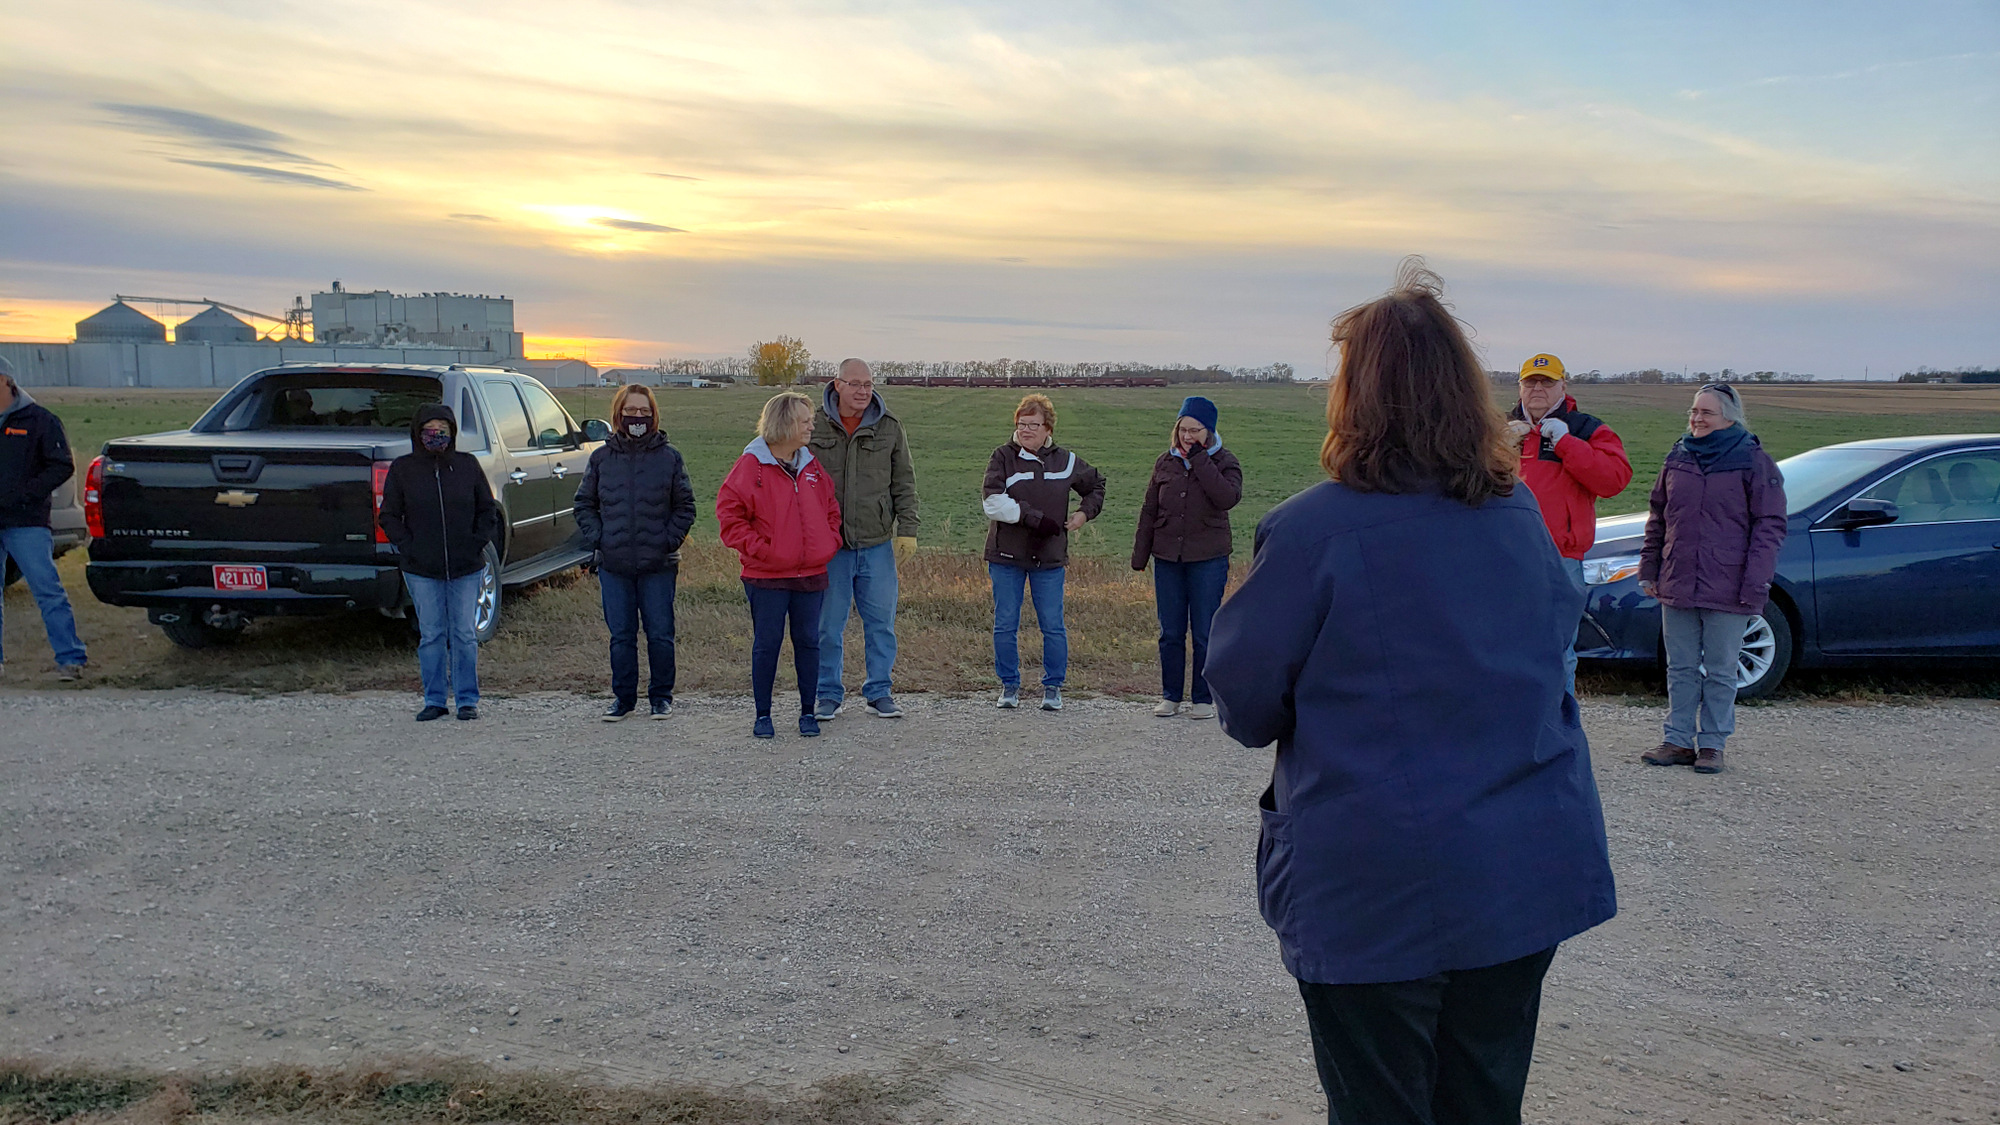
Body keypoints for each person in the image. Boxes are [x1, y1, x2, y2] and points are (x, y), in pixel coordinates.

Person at [1205, 261, 1616, 1125]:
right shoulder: (1516, 519)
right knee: (1483, 1103)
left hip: (1372, 889)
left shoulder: (1314, 530)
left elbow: (1243, 702)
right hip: (1517, 875)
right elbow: (1548, 658)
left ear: (1355, 397)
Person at [1638, 383, 1787, 775]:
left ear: (1729, 418)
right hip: (1678, 578)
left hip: (1729, 582)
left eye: (1705, 413)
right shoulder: (1679, 457)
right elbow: (1658, 517)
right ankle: (1677, 740)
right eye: (1693, 411)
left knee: (1722, 669)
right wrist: (1649, 568)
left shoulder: (1754, 462)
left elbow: (1769, 525)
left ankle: (1713, 744)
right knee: (1681, 666)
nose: (1696, 419)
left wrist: (1756, 581)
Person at [716, 392, 842, 740]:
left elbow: (831, 507)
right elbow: (730, 516)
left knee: (808, 642)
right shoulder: (750, 466)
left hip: (811, 573)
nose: (811, 425)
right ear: (784, 422)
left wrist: (828, 542)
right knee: (767, 643)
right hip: (766, 575)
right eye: (804, 420)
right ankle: (763, 715)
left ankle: (807, 712)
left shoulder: (811, 466)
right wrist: (763, 550)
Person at [1505, 353, 1633, 695]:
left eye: (1547, 382)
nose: (1537, 389)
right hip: (1503, 555)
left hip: (1560, 558)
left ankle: (1558, 730)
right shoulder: (1496, 428)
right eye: (1530, 381)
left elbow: (1614, 480)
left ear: (1564, 385)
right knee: (1503, 648)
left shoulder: (1587, 429)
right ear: (1519, 386)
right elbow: (1461, 483)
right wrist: (1496, 448)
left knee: (1559, 650)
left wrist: (1566, 444)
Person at [574, 383, 697, 722]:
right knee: (621, 636)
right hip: (614, 565)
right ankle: (623, 699)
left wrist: (667, 541)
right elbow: (584, 504)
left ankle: (661, 697)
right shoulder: (601, 458)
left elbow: (685, 506)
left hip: (658, 564)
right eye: (631, 411)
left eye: (644, 411)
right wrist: (600, 539)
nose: (637, 417)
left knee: (659, 634)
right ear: (619, 414)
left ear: (653, 415)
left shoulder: (669, 457)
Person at [809, 359, 920, 721]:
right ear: (836, 385)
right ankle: (827, 693)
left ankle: (879, 691)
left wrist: (908, 530)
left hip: (875, 545)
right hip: (830, 548)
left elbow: (904, 481)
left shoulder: (889, 427)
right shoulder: (812, 426)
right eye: (855, 384)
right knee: (827, 627)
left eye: (868, 384)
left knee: (881, 624)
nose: (862, 391)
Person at [981, 393, 1105, 712]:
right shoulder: (1002, 457)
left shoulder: (1067, 461)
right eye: (1021, 424)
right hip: (1006, 557)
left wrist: (1084, 513)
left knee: (1052, 624)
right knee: (1005, 623)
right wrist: (1033, 518)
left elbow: (1095, 485)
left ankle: (1053, 687)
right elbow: (993, 502)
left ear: (1048, 427)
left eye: (1033, 425)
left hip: (1049, 558)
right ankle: (1009, 686)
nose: (1025, 430)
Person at [378, 403, 501, 721]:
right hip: (421, 568)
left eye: (442, 430)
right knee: (432, 634)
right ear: (418, 434)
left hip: (465, 566)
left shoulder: (467, 465)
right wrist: (408, 545)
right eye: (430, 430)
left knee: (463, 633)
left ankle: (466, 700)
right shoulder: (403, 469)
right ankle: (434, 699)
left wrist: (476, 542)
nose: (436, 436)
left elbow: (487, 509)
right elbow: (389, 515)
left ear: (452, 433)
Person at [1131, 395, 1242, 720]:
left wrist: (1200, 460)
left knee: (1205, 631)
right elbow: (1150, 508)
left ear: (1209, 432)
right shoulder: (1164, 462)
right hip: (1168, 558)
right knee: (1170, 631)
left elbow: (1226, 498)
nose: (1187, 436)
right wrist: (1140, 554)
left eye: (1195, 430)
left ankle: (1203, 699)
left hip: (1208, 559)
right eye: (1183, 429)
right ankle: (1170, 696)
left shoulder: (1226, 461)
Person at [0, 356, 88, 681]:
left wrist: (25, 493)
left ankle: (70, 659)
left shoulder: (39, 420)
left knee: (47, 591)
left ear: (8, 381)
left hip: (26, 522)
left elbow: (62, 465)